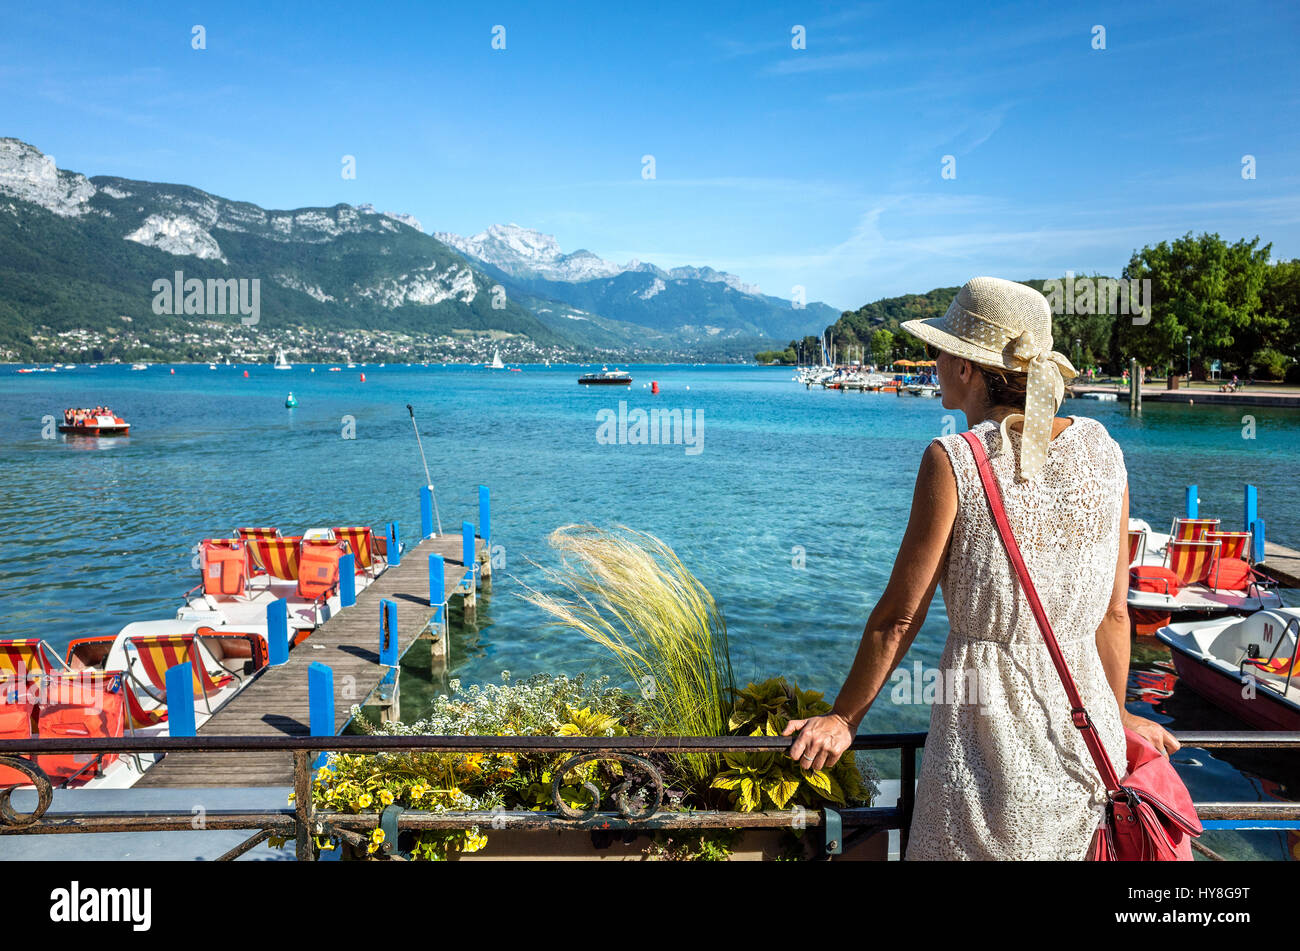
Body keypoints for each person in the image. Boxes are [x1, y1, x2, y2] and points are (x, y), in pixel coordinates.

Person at [783, 277, 1177, 860]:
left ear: (968, 367)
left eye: (943, 348)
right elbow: (1115, 613)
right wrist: (1116, 712)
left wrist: (845, 717)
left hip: (990, 739)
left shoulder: (955, 460)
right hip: (1086, 735)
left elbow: (899, 616)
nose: (935, 360)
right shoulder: (1104, 451)